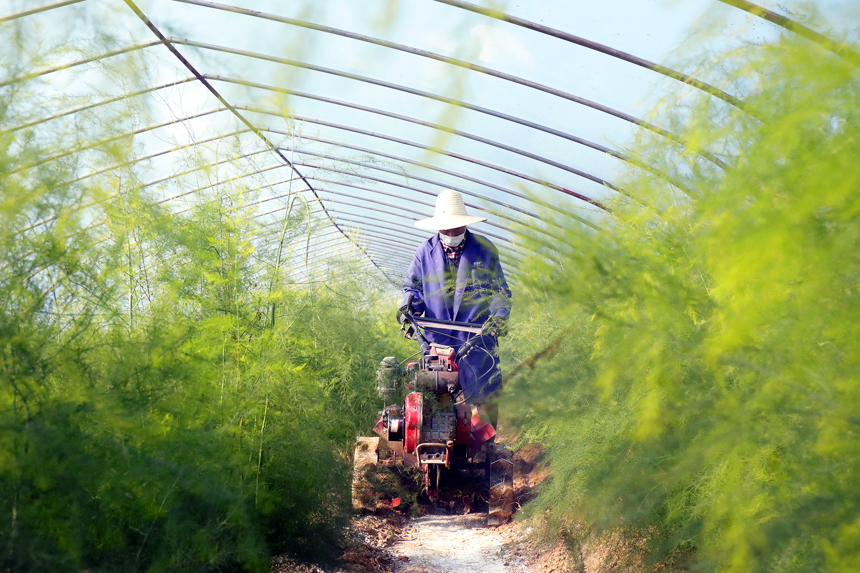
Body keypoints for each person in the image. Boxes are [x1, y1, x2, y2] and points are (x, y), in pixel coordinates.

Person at [399, 189, 512, 415]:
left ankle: (484, 446)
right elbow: (413, 289)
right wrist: (408, 309)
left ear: (465, 224)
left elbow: (499, 291)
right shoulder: (424, 252)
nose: (451, 232)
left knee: (484, 398)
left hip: (477, 339)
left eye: (455, 227)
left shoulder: (485, 251)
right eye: (446, 227)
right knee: (435, 401)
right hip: (436, 341)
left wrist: (499, 317)